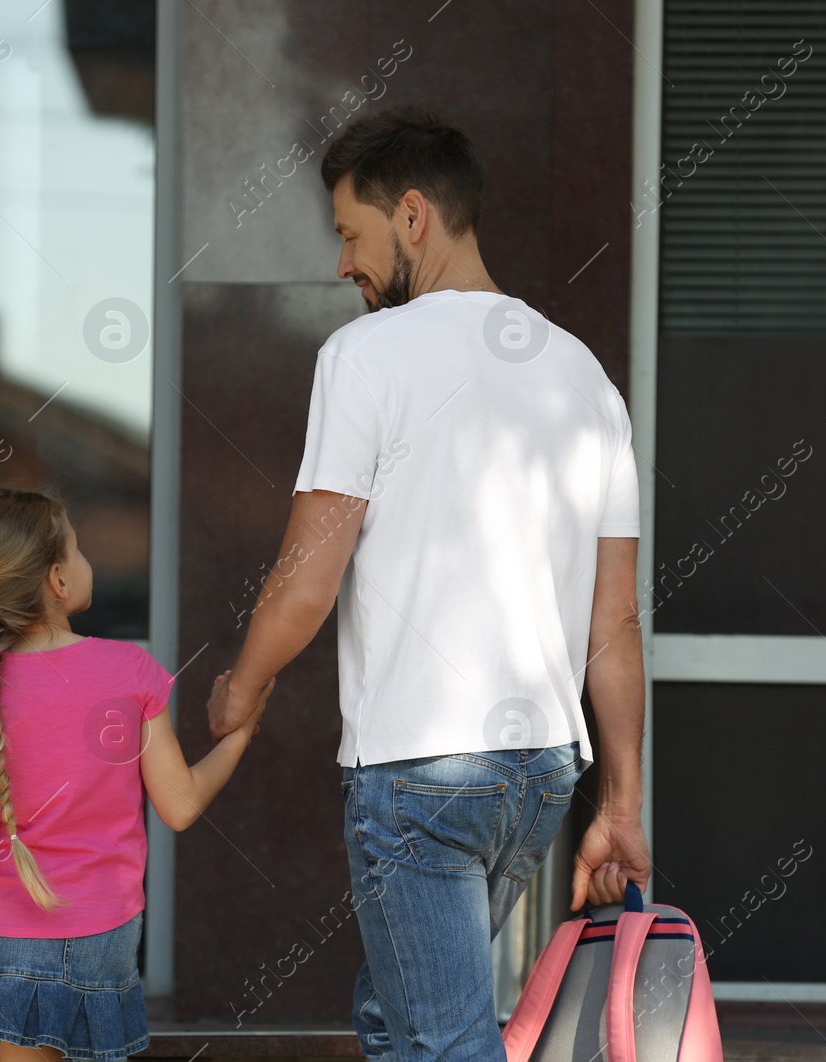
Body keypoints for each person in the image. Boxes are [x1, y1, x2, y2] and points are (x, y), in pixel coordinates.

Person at [206, 106, 653, 1061]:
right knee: (395, 1014)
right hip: (538, 772)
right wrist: (619, 806)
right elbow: (612, 624)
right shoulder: (587, 381)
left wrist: (238, 690)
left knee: (443, 1047)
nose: (342, 267)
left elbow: (304, 582)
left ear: (413, 216)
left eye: (349, 235)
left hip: (424, 772)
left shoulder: (366, 356)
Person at [0, 485, 271, 1060]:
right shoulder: (129, 670)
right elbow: (180, 806)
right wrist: (238, 737)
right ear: (59, 580)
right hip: (105, 929)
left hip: (6, 924)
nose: (89, 559)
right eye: (79, 547)